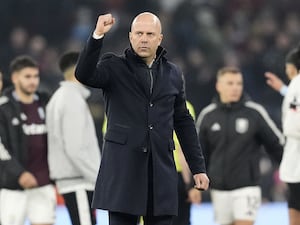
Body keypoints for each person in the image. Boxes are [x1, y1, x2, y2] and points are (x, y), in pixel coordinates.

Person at [75, 12, 209, 225]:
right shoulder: (113, 67)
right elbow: (83, 74)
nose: (144, 38)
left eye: (149, 34)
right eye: (139, 33)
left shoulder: (173, 73)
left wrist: (198, 167)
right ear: (130, 36)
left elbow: (183, 121)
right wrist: (98, 35)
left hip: (161, 178)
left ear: (159, 38)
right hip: (123, 175)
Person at [196, 66, 284, 225]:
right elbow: (198, 153)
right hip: (219, 189)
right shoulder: (208, 115)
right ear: (218, 86)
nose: (235, 87)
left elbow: (276, 144)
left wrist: (290, 172)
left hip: (247, 187)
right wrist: (194, 185)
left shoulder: (254, 113)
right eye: (230, 83)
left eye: (238, 83)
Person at [46, 51, 101, 225]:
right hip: (79, 181)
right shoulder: (71, 99)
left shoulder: (61, 97)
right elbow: (75, 149)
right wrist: (98, 178)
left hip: (75, 180)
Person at [0, 55, 56, 225]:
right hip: (13, 187)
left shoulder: (46, 104)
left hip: (43, 183)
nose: (33, 81)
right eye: (27, 76)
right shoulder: (3, 108)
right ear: (15, 78)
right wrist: (20, 173)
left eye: (36, 76)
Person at [266, 46, 300, 225]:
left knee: (295, 208)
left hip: (297, 163)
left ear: (293, 68)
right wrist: (282, 89)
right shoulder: (294, 87)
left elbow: (294, 124)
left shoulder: (296, 83)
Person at [173, 101, 201, 225]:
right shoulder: (183, 105)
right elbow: (182, 148)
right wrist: (190, 185)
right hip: (175, 175)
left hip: (145, 173)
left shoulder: (136, 101)